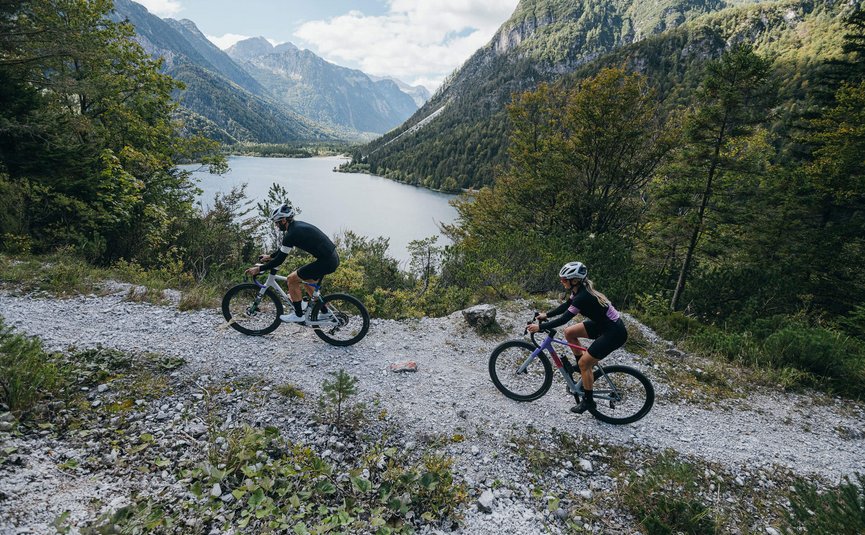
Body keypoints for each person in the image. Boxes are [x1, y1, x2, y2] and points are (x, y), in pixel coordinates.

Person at [527, 261, 627, 414]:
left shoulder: (583, 296)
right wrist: (546, 315)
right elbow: (566, 306)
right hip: (603, 325)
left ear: (575, 280)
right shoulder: (578, 290)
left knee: (585, 364)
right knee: (569, 333)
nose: (562, 282)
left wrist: (540, 327)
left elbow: (564, 319)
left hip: (614, 332)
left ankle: (588, 402)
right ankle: (582, 370)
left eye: (564, 279)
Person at [244, 204, 339, 323]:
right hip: (330, 258)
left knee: (292, 279)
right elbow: (283, 249)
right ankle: (325, 312)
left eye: (277, 222)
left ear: (283, 220)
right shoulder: (295, 228)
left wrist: (259, 269)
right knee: (308, 282)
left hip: (327, 261)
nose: (276, 225)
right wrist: (270, 256)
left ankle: (298, 315)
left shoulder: (292, 233)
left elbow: (280, 260)